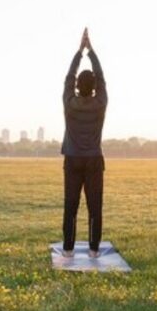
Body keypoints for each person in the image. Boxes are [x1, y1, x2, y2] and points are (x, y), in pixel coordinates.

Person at [61, 28, 108, 258]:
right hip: (93, 161)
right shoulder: (100, 102)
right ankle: (93, 250)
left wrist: (80, 51)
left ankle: (68, 250)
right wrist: (92, 52)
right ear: (95, 87)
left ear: (78, 86)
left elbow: (69, 77)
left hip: (72, 159)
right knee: (94, 206)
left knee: (71, 205)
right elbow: (102, 79)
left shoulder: (69, 102)